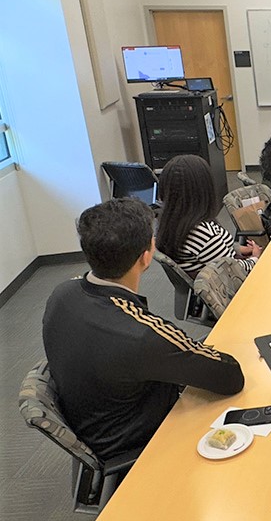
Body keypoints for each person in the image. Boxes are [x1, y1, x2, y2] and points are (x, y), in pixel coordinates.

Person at [42, 198, 245, 462]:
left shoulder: (62, 294)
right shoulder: (141, 335)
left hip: (97, 419)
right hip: (142, 442)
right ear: (146, 256)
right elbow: (230, 376)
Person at [155, 155, 261, 277]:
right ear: (204, 189)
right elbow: (233, 271)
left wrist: (240, 249)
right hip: (233, 283)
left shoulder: (173, 221)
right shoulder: (202, 235)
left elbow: (216, 252)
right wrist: (255, 257)